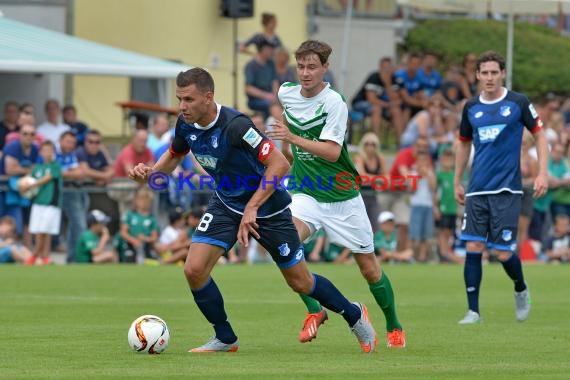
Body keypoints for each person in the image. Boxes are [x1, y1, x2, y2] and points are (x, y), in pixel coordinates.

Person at [128, 67, 377, 353]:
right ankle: (225, 338)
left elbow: (280, 165)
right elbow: (175, 154)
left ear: (208, 98)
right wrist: (151, 174)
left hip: (268, 209)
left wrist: (252, 207)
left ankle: (354, 314)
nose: (182, 106)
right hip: (226, 204)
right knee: (194, 269)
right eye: (179, 99)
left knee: (301, 282)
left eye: (189, 99)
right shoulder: (185, 123)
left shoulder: (237, 125)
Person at [268, 40, 406, 348]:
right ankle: (315, 310)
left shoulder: (335, 102)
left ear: (325, 68)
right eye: (301, 66)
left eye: (312, 67)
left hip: (343, 196)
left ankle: (394, 324)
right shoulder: (286, 93)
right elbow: (289, 143)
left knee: (370, 270)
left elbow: (331, 152)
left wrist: (291, 137)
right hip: (306, 192)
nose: (305, 73)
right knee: (283, 243)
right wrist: (283, 158)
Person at [454, 51, 549, 325]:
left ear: (503, 74)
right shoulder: (471, 107)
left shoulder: (518, 102)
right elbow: (463, 143)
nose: (489, 78)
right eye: (484, 73)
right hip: (476, 189)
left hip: (507, 189)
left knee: (502, 252)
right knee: (473, 246)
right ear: (477, 76)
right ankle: (473, 311)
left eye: (494, 72)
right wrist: (457, 180)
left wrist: (542, 173)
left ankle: (520, 288)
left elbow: (540, 136)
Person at [25, 141, 62, 265]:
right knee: (38, 231)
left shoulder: (55, 166)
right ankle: (44, 258)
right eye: (45, 150)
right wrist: (23, 186)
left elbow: (48, 178)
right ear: (41, 152)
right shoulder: (37, 168)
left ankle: (35, 255)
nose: (48, 153)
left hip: (51, 204)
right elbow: (27, 181)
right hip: (38, 203)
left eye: (50, 150)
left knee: (44, 231)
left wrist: (33, 184)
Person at [351, 57, 404, 138]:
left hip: (383, 105)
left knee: (396, 110)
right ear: (380, 67)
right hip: (361, 103)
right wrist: (389, 105)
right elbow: (371, 100)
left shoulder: (394, 79)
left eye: (388, 67)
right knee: (376, 108)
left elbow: (397, 100)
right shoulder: (374, 77)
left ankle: (402, 143)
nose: (386, 70)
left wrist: (387, 84)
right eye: (384, 68)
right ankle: (376, 141)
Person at [353, 132, 386, 231]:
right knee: (360, 226)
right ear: (363, 145)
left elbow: (387, 178)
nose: (370, 147)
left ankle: (374, 246)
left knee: (375, 226)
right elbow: (363, 178)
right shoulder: (359, 157)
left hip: (372, 195)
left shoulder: (379, 158)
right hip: (359, 196)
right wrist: (378, 179)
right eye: (367, 144)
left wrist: (373, 178)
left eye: (373, 144)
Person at [435, 148, 462, 264]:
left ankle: (445, 253)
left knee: (449, 232)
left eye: (450, 159)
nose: (447, 162)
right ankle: (443, 254)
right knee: (443, 231)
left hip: (452, 209)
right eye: (445, 159)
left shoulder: (454, 175)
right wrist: (435, 207)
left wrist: (458, 207)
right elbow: (435, 193)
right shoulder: (439, 175)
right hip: (443, 208)